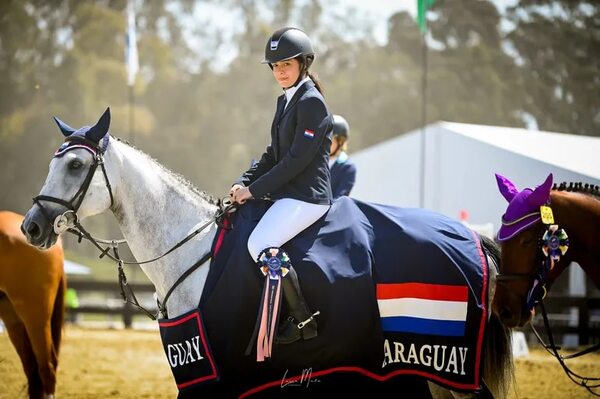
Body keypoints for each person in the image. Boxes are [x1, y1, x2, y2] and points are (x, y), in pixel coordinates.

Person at [229, 27, 333, 349]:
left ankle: (302, 318)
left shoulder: (312, 103)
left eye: (286, 64)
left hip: (309, 196)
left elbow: (294, 162)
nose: (280, 72)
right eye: (275, 66)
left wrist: (254, 191)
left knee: (260, 241)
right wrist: (243, 182)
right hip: (290, 193)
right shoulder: (286, 100)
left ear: (304, 63)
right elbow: (272, 155)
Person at [329, 114, 357, 199]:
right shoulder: (315, 161)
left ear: (340, 142)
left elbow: (339, 199)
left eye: (330, 139)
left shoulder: (348, 167)